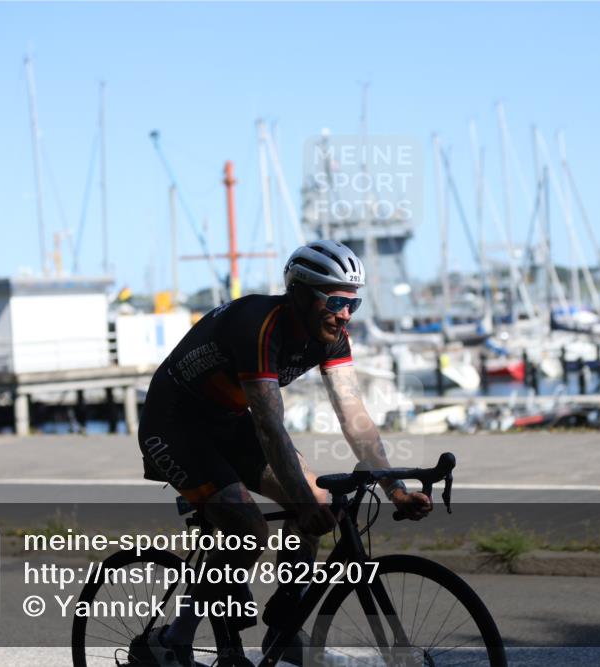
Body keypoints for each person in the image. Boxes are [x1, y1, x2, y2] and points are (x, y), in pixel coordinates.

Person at [137, 239, 433, 665]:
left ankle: (284, 631)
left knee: (315, 501)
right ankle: (172, 638)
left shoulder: (332, 336)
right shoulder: (260, 325)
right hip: (176, 425)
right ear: (299, 293)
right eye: (334, 300)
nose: (345, 313)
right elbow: (269, 425)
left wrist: (395, 488)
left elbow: (355, 416)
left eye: (354, 303)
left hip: (230, 423)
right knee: (249, 530)